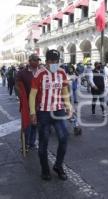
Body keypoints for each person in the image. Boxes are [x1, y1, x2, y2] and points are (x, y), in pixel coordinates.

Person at [29, 50, 72, 181]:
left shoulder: (62, 72)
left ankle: (58, 166)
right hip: (44, 112)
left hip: (58, 111)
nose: (54, 64)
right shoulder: (39, 73)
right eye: (51, 61)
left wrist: (69, 107)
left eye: (56, 61)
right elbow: (32, 94)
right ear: (46, 61)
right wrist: (32, 112)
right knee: (44, 142)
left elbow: (64, 90)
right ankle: (45, 169)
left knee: (64, 138)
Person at [16, 54, 40, 150]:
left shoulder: (40, 71)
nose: (37, 62)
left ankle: (32, 143)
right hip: (28, 102)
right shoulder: (22, 73)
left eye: (38, 60)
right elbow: (17, 85)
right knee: (27, 124)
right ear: (30, 61)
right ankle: (25, 143)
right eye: (35, 60)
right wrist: (21, 97)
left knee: (35, 124)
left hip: (38, 102)